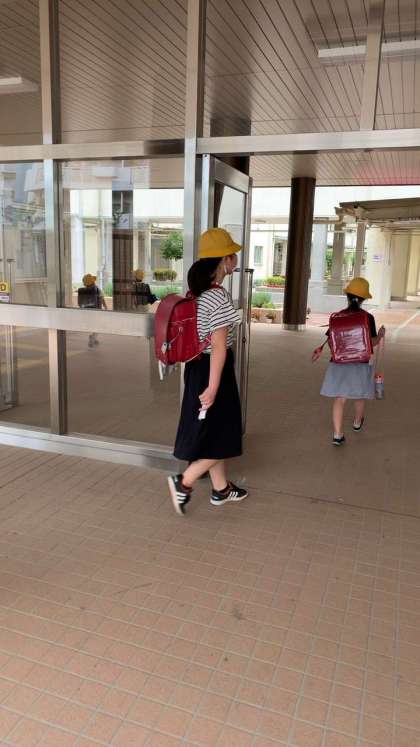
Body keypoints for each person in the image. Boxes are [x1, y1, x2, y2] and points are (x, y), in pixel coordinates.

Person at [168, 228, 248, 515]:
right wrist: (213, 388)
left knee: (214, 430)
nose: (235, 258)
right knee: (226, 432)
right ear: (224, 260)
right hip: (213, 370)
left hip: (196, 367)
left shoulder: (197, 293)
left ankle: (220, 489)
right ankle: (184, 482)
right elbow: (219, 346)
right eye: (232, 254)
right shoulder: (218, 296)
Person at [312, 277, 385, 445]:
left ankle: (337, 434)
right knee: (359, 396)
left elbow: (331, 340)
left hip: (339, 363)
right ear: (363, 299)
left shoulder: (338, 316)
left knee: (340, 398)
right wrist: (380, 335)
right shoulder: (368, 318)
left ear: (347, 296)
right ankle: (357, 423)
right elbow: (372, 343)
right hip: (361, 363)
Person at [77, 274, 107, 348]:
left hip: (87, 312)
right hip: (96, 311)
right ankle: (92, 337)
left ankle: (94, 337)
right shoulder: (97, 289)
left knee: (95, 325)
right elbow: (102, 298)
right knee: (99, 326)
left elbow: (79, 303)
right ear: (93, 282)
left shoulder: (82, 291)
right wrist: (105, 306)